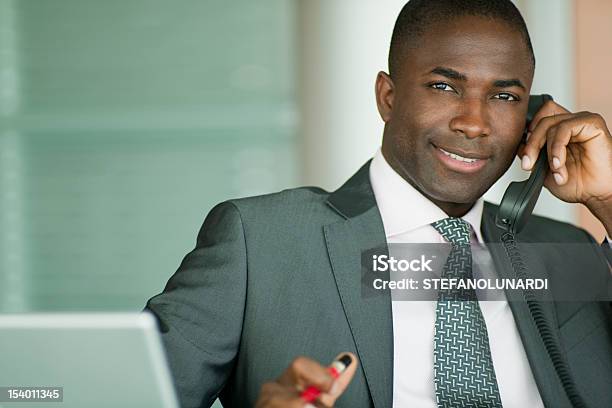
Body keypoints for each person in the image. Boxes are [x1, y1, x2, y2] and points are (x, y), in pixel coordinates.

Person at [146, 0, 612, 407]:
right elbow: (115, 394)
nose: (474, 123)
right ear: (387, 97)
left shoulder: (563, 252)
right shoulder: (261, 241)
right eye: (444, 87)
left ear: (531, 118)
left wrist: (609, 200)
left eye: (505, 96)